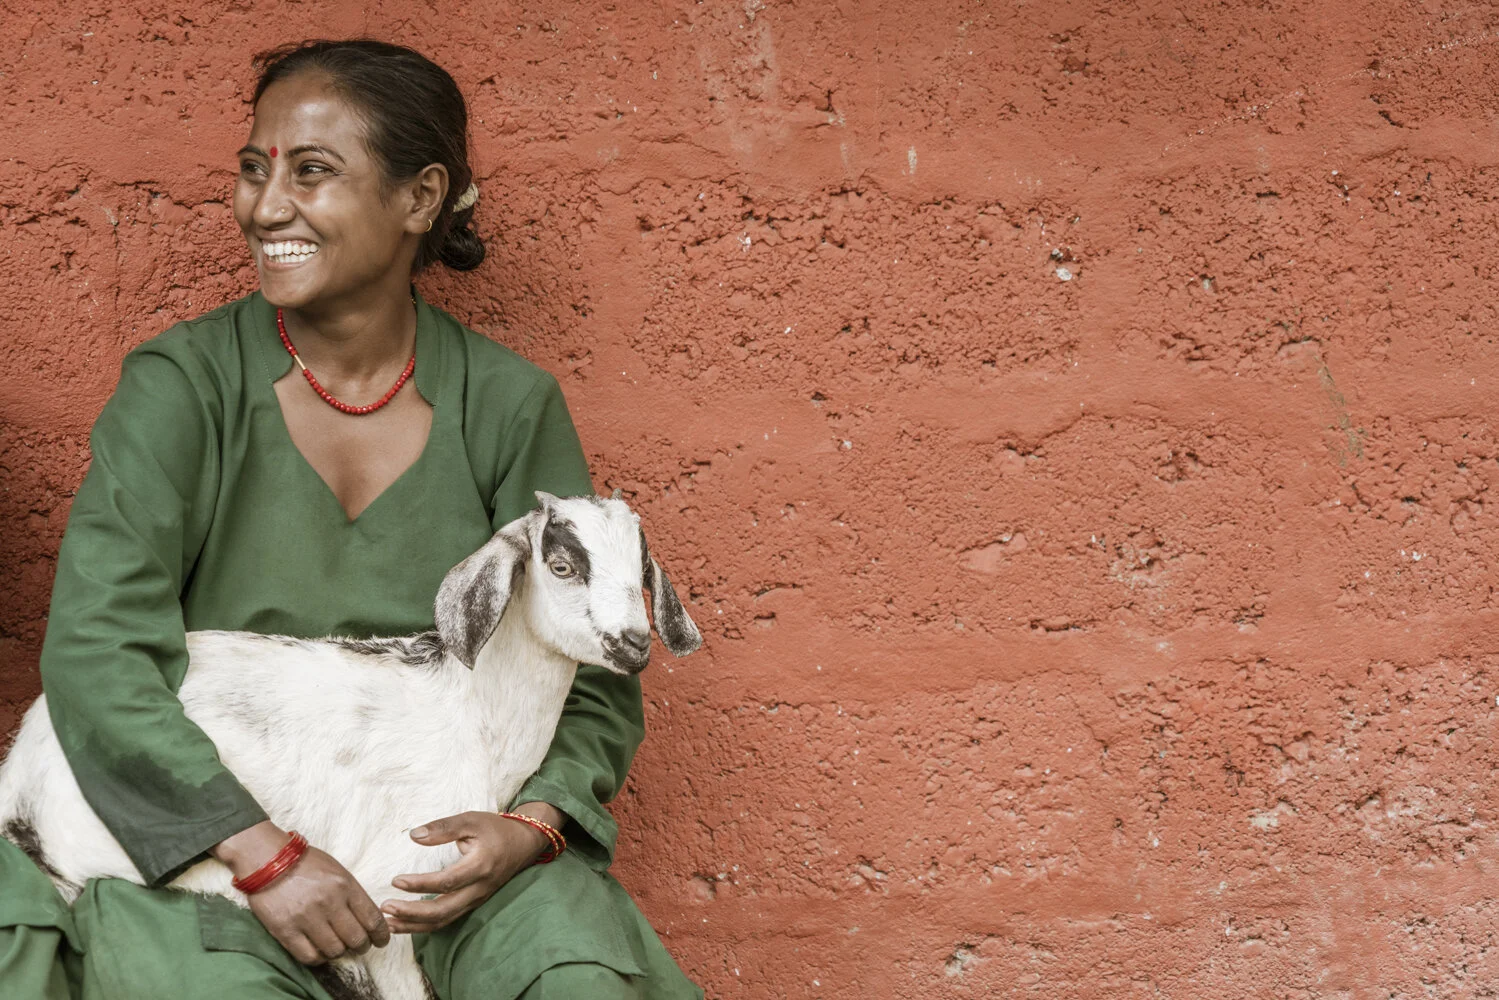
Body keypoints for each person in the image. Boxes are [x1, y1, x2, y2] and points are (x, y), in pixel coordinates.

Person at [0, 38, 702, 1000]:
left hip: (441, 864)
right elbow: (97, 650)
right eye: (255, 169)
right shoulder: (183, 389)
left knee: (574, 975)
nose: (267, 205)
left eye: (312, 172)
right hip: (210, 845)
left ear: (420, 199)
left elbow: (590, 653)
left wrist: (532, 824)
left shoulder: (507, 404)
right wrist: (261, 855)